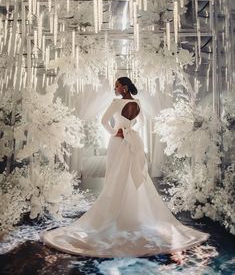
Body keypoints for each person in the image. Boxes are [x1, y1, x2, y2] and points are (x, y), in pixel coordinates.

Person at [39, 77, 209, 261]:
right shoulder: (137, 103)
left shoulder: (118, 103)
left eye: (117, 85)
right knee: (126, 174)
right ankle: (127, 214)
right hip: (130, 141)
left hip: (119, 142)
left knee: (116, 176)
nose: (115, 88)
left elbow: (104, 121)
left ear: (124, 87)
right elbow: (141, 122)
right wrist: (130, 129)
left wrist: (116, 131)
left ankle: (118, 214)